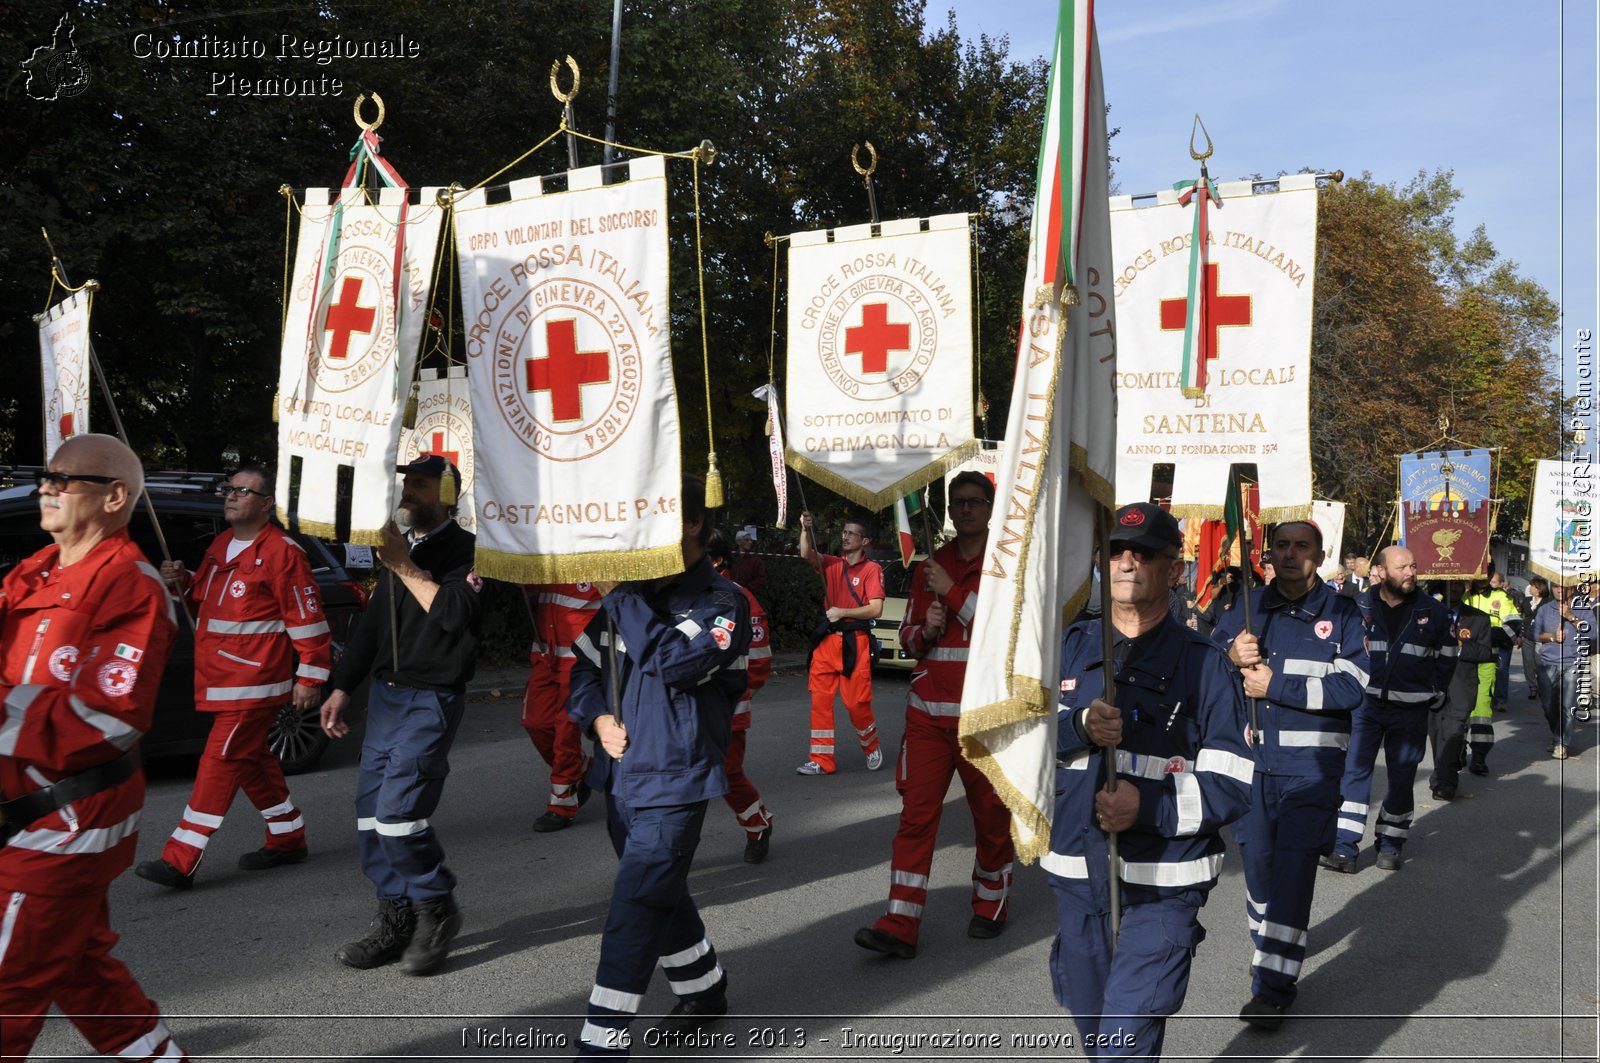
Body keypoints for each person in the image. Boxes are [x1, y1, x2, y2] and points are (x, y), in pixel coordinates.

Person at [0, 434, 186, 1061]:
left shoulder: (130, 586)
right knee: (80, 968)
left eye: (64, 478)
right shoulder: (34, 571)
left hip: (65, 819)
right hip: (22, 809)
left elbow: (106, 720)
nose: (47, 486)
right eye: (44, 475)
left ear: (115, 497)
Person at [1046, 502, 1253, 1060]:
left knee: (1123, 1044)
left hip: (1163, 885)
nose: (1127, 562)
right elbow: (1020, 743)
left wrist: (1150, 806)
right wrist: (1077, 727)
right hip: (1077, 875)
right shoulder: (1067, 645)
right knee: (1097, 1039)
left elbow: (1233, 782)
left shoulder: (1207, 663)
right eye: (1116, 551)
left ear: (1174, 570)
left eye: (1143, 553)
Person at [568, 477, 751, 1057]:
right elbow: (582, 671)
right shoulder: (634, 594)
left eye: (654, 515)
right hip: (620, 779)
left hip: (676, 780)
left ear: (692, 523)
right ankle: (703, 990)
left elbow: (677, 663)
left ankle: (601, 1045)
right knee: (658, 891)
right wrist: (596, 719)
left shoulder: (723, 602)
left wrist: (619, 596)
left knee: (636, 906)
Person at [320, 454, 482, 975]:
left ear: (448, 492)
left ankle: (437, 909)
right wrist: (343, 687)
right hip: (387, 698)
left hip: (431, 698)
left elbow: (455, 615)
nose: (409, 492)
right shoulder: (402, 548)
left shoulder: (471, 550)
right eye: (407, 482)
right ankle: (396, 918)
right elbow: (371, 629)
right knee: (370, 819)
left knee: (398, 817)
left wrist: (402, 565)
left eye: (422, 484)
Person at [135, 466, 331, 888]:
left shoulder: (283, 552)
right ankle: (287, 836)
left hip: (256, 682)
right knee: (253, 761)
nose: (231, 495)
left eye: (243, 490)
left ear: (266, 505)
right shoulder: (221, 545)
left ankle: (180, 857)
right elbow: (201, 600)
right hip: (221, 677)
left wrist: (312, 677)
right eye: (229, 489)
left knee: (220, 759)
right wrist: (180, 582)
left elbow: (307, 618)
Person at [1213, 520, 1368, 1031]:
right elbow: (1206, 672)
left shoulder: (1343, 613)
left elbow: (1353, 687)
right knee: (1258, 873)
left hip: (1312, 772)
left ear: (1320, 555)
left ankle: (1273, 988)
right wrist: (1229, 657)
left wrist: (1276, 686)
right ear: (1267, 553)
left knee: (1293, 876)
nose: (1290, 554)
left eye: (1302, 546)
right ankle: (1271, 943)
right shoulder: (1246, 607)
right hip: (1252, 769)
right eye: (1281, 545)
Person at [854, 472, 1013, 960]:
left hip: (983, 719)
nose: (965, 510)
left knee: (989, 817)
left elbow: (1008, 633)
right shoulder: (930, 566)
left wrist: (956, 596)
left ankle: (990, 904)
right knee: (915, 819)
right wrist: (925, 628)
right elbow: (906, 642)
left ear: (990, 508)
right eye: (957, 503)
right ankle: (900, 921)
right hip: (928, 718)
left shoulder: (1006, 563)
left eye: (974, 502)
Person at [1323, 546, 1453, 874]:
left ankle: (1391, 843)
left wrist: (1434, 690)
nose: (1410, 572)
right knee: (1354, 774)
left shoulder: (1433, 611)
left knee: (1401, 777)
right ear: (1381, 572)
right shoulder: (1358, 606)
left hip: (1410, 710)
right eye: (1401, 567)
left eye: (1413, 565)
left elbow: (1448, 655)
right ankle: (1344, 848)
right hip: (1364, 707)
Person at [795, 513, 884, 775]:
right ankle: (821, 760)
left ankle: (871, 746)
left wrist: (843, 611)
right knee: (820, 701)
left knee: (856, 703)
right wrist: (804, 529)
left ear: (864, 541)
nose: (845, 536)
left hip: (854, 642)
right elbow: (805, 553)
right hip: (827, 641)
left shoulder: (872, 570)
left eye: (851, 533)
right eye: (843, 532)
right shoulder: (832, 563)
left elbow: (876, 609)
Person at [706, 530, 775, 863]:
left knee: (727, 773)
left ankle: (757, 823)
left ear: (717, 560)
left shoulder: (740, 598)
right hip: (683, 709)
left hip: (727, 708)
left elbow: (760, 658)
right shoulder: (671, 594)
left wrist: (744, 692)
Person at [521, 582, 601, 832]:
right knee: (536, 723)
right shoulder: (550, 552)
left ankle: (562, 804)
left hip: (579, 661)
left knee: (566, 730)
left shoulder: (600, 555)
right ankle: (582, 767)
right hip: (546, 653)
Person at [1426, 582, 1492, 800]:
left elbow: (1484, 652)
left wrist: (1460, 644)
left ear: (1463, 588)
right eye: (1447, 586)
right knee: (1436, 734)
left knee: (1454, 732)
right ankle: (1440, 775)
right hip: (1433, 684)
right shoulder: (1427, 613)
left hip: (1462, 686)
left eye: (1455, 586)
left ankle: (1446, 783)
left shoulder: (1479, 618)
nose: (1451, 590)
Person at [1530, 581, 1597, 760]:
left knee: (1568, 706)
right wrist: (1552, 636)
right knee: (1548, 705)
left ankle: (1561, 743)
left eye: (1563, 586)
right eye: (1556, 586)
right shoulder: (1544, 609)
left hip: (1572, 663)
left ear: (1572, 588)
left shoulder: (1582, 607)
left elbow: (1593, 633)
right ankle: (1557, 734)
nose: (1559, 590)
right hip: (1548, 663)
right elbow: (1534, 634)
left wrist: (1570, 616)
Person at [1465, 572, 1518, 714]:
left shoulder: (1501, 596)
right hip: (1466, 652)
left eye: (1486, 574)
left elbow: (1514, 626)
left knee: (1490, 685)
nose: (1482, 578)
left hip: (1491, 651)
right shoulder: (1464, 597)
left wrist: (1486, 634)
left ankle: (1499, 700)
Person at [1521, 577, 1550, 705]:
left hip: (1541, 637)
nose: (1531, 588)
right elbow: (1521, 616)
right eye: (1531, 585)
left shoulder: (1548, 602)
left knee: (1540, 663)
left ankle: (1542, 686)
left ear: (1540, 589)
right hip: (1527, 636)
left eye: (1533, 586)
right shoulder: (1526, 601)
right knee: (1528, 663)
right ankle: (1532, 687)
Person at [726, 531, 767, 601]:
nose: (750, 542)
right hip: (729, 593)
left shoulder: (755, 559)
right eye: (747, 540)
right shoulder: (730, 556)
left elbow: (761, 577)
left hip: (746, 596)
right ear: (738, 542)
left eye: (750, 540)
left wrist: (748, 588)